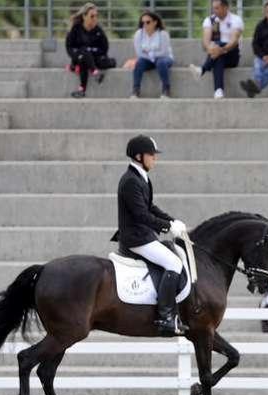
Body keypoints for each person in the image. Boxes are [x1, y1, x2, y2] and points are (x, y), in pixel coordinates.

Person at [110, 134, 190, 337]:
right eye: (151, 155)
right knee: (174, 264)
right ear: (138, 156)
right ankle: (165, 317)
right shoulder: (130, 181)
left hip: (144, 235)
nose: (155, 158)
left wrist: (171, 221)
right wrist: (166, 228)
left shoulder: (141, 178)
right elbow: (141, 215)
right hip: (136, 238)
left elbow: (150, 207)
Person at [189, 0, 243, 99]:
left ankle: (202, 69)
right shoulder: (209, 20)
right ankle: (219, 91)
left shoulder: (236, 19)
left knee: (219, 45)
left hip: (232, 55)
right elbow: (206, 42)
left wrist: (221, 49)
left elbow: (234, 41)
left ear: (225, 7)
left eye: (217, 8)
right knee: (218, 57)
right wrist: (212, 49)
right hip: (216, 55)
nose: (214, 11)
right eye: (213, 8)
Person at [66, 2, 116, 98]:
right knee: (83, 55)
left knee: (92, 57)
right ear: (84, 16)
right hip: (79, 56)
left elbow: (104, 48)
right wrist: (79, 54)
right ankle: (95, 73)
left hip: (95, 58)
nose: (95, 19)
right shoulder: (75, 29)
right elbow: (69, 48)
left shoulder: (98, 30)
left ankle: (82, 90)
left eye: (96, 16)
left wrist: (91, 51)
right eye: (92, 16)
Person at [131, 11, 174, 99]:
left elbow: (163, 52)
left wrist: (149, 53)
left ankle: (166, 90)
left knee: (161, 62)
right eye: (143, 23)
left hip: (165, 58)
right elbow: (139, 53)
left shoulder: (163, 34)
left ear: (155, 22)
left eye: (148, 22)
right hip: (147, 60)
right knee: (139, 62)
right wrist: (152, 56)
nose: (145, 25)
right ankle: (136, 90)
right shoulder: (138, 34)